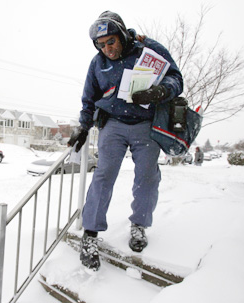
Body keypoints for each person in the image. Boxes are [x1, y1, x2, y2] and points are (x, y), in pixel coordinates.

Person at [67, 11, 183, 272]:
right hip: (114, 125)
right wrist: (83, 126)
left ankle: (139, 226)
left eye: (111, 41)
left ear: (120, 35)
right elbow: (88, 99)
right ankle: (91, 234)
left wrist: (159, 91)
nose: (107, 48)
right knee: (104, 176)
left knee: (146, 177)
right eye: (101, 44)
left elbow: (177, 79)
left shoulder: (148, 49)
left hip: (145, 124)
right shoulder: (97, 64)